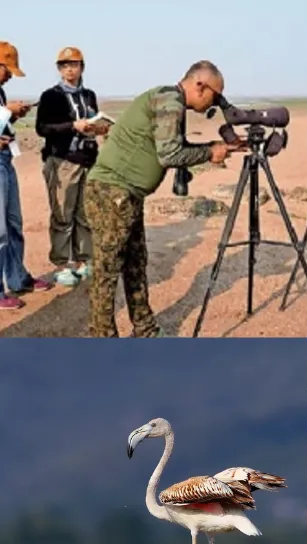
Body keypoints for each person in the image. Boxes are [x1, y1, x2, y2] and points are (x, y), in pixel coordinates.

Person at [84, 60, 240, 337]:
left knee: (135, 264)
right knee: (107, 272)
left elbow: (173, 149)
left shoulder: (169, 99)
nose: (214, 105)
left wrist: (217, 148)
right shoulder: (171, 102)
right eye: (215, 97)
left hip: (126, 194)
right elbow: (169, 155)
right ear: (200, 86)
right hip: (112, 193)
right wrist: (209, 153)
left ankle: (145, 330)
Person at [36, 46, 106, 288]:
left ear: (82, 67)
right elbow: (42, 128)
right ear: (59, 69)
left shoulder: (89, 95)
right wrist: (72, 126)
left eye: (74, 64)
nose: (69, 69)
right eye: (64, 65)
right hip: (62, 160)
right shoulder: (51, 96)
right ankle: (62, 265)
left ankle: (84, 259)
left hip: (87, 160)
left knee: (85, 213)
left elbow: (94, 120)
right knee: (62, 214)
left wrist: (99, 128)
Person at [0, 41, 54, 312]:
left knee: (13, 223)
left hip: (5, 160)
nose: (10, 75)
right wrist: (9, 111)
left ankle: (18, 278)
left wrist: (11, 113)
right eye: (7, 70)